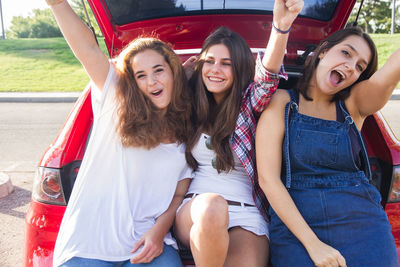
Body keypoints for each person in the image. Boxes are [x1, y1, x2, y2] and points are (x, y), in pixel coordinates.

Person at [46, 0, 193, 266]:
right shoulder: (115, 102)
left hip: (146, 246)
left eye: (159, 70)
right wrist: (57, 4)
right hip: (89, 245)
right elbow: (88, 49)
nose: (152, 81)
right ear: (131, 82)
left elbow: (177, 197)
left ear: (174, 73)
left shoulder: (186, 135)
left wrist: (158, 234)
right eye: (141, 75)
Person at [256, 26, 400, 267]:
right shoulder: (282, 101)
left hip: (364, 228)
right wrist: (313, 244)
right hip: (297, 230)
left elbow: (392, 69)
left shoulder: (354, 103)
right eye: (346, 53)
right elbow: (268, 179)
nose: (351, 66)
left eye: (360, 66)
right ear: (323, 51)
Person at [174, 1, 304, 266]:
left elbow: (267, 78)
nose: (215, 70)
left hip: (247, 213)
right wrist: (178, 75)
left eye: (226, 63)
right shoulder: (188, 104)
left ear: (240, 68)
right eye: (209, 61)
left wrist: (281, 28)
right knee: (213, 208)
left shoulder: (249, 107)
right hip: (197, 208)